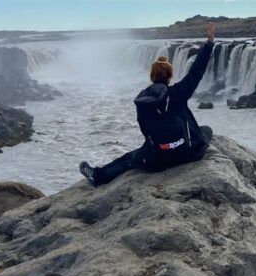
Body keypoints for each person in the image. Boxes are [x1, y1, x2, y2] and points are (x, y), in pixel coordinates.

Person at [79, 22, 217, 187]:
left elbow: (146, 132)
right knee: (206, 130)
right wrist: (209, 43)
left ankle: (96, 176)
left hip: (158, 160)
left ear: (152, 77)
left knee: (128, 159)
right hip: (188, 154)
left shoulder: (141, 101)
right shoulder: (179, 92)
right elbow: (196, 71)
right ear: (170, 76)